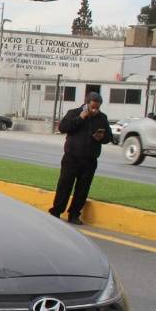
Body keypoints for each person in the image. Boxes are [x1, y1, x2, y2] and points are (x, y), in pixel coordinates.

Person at [49, 91, 113, 225]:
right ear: (86, 104)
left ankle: (74, 214)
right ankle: (56, 211)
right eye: (92, 107)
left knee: (83, 189)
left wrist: (102, 137)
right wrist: (80, 118)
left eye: (97, 107)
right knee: (64, 185)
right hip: (71, 158)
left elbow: (109, 137)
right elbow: (62, 128)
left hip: (90, 160)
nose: (95, 110)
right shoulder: (73, 113)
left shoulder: (102, 118)